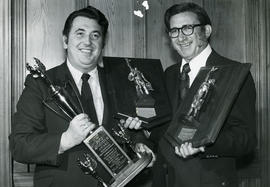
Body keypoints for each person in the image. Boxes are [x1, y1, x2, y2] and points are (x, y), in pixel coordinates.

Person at [9, 5, 152, 187]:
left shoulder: (120, 81)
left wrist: (139, 143)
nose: (88, 42)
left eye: (95, 35)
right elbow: (19, 145)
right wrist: (65, 140)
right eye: (80, 33)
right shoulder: (40, 84)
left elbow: (135, 128)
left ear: (102, 44)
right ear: (65, 41)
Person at [149, 2, 257, 187]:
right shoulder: (169, 74)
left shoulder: (233, 73)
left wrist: (204, 144)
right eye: (174, 30)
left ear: (206, 31)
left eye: (188, 28)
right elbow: (164, 126)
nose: (180, 37)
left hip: (209, 180)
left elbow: (246, 139)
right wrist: (142, 132)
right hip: (166, 179)